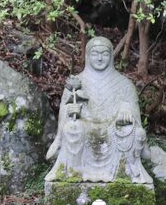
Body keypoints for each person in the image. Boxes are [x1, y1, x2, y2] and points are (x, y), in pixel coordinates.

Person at [45, 36, 152, 184]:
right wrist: (72, 111)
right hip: (86, 126)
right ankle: (73, 173)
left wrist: (126, 109)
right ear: (87, 56)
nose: (100, 58)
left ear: (111, 56)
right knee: (72, 128)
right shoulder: (76, 83)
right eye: (95, 53)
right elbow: (65, 111)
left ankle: (123, 173)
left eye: (105, 54)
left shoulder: (124, 84)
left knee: (132, 131)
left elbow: (133, 110)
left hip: (112, 129)